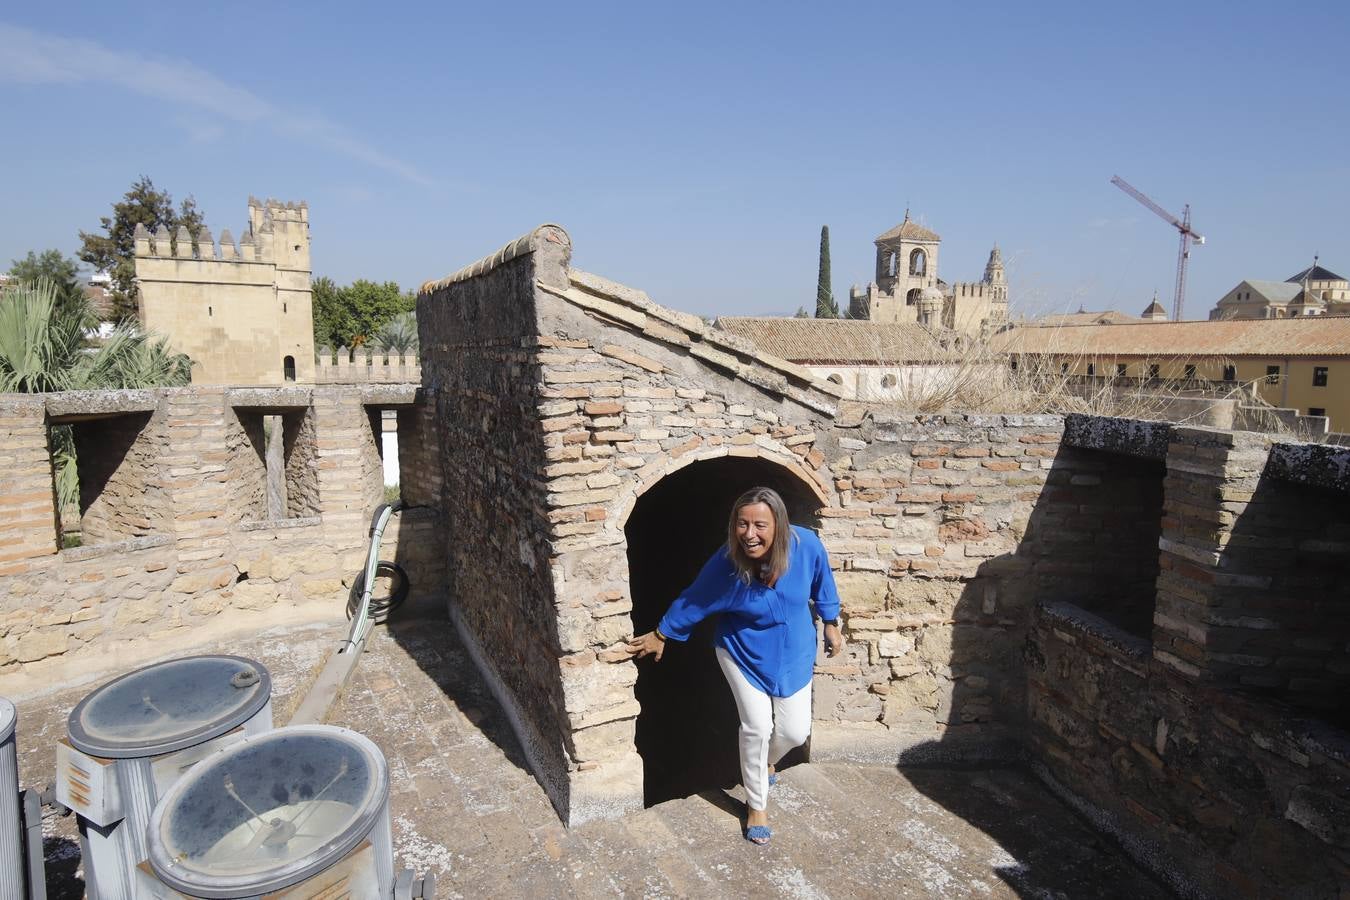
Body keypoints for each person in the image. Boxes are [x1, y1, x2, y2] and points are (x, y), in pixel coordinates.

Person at [627, 486, 843, 845]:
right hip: (742, 651)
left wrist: (831, 621)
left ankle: (763, 765)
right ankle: (757, 803)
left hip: (795, 652)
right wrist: (662, 633)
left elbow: (823, 579)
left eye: (759, 524)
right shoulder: (727, 563)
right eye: (742, 524)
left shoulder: (806, 546)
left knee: (794, 732)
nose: (749, 534)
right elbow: (695, 599)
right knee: (756, 727)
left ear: (780, 527)